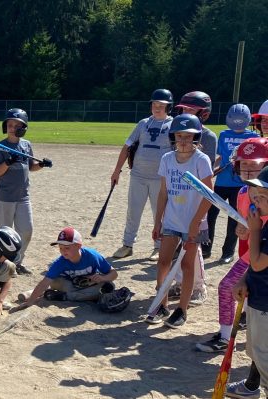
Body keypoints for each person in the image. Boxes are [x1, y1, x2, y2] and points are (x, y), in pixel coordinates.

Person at [196, 137, 268, 353]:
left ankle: (226, 337)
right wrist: (242, 229)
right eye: (243, 164)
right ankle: (243, 320)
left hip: (261, 253)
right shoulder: (244, 193)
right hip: (250, 251)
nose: (248, 169)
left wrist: (252, 230)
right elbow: (245, 225)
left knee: (227, 286)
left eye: (254, 165)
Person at [145, 114, 213, 328]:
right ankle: (161, 303)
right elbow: (163, 193)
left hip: (194, 223)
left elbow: (208, 194)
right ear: (173, 137)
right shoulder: (167, 159)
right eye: (180, 136)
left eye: (189, 136)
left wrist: (196, 221)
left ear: (196, 138)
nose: (183, 141)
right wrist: (158, 222)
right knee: (163, 261)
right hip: (172, 221)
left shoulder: (201, 160)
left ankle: (182, 309)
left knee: (186, 265)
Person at [111, 89, 174, 261]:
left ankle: (158, 247)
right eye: (154, 104)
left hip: (160, 179)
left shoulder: (173, 125)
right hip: (138, 175)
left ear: (169, 107)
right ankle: (127, 245)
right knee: (133, 211)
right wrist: (117, 170)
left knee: (159, 214)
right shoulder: (143, 123)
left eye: (161, 105)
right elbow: (127, 147)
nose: (157, 108)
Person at [0, 108, 52, 275]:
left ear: (23, 127)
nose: (12, 128)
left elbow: (31, 167)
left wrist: (41, 165)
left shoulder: (26, 145)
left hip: (23, 196)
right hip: (5, 197)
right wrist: (9, 161)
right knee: (5, 234)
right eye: (9, 124)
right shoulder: (0, 147)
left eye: (16, 125)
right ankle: (4, 264)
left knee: (26, 230)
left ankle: (17, 262)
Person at [10, 226, 117, 312]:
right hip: (66, 285)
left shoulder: (92, 256)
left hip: (86, 284)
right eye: (60, 248)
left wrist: (102, 278)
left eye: (67, 248)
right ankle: (70, 295)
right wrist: (30, 302)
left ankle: (63, 296)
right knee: (62, 284)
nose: (63, 251)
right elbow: (44, 282)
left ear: (78, 246)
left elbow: (114, 274)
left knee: (109, 286)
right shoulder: (60, 262)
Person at [231, 167, 268, 396]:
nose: (257, 200)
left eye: (263, 196)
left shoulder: (262, 227)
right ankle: (253, 387)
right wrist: (243, 280)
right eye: (256, 195)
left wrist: (254, 230)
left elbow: (257, 263)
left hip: (266, 305)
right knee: (256, 352)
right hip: (258, 299)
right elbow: (255, 268)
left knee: (264, 356)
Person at [205, 104, 258, 264]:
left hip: (240, 185)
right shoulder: (223, 134)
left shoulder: (252, 137)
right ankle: (206, 248)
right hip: (222, 182)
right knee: (210, 215)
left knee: (234, 218)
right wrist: (213, 168)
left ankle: (227, 252)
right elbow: (220, 156)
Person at [172, 91, 218, 258]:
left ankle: (199, 249)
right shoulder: (176, 132)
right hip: (178, 186)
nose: (185, 113)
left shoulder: (208, 137)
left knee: (196, 224)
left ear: (203, 113)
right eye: (183, 109)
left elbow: (207, 170)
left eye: (191, 110)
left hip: (195, 191)